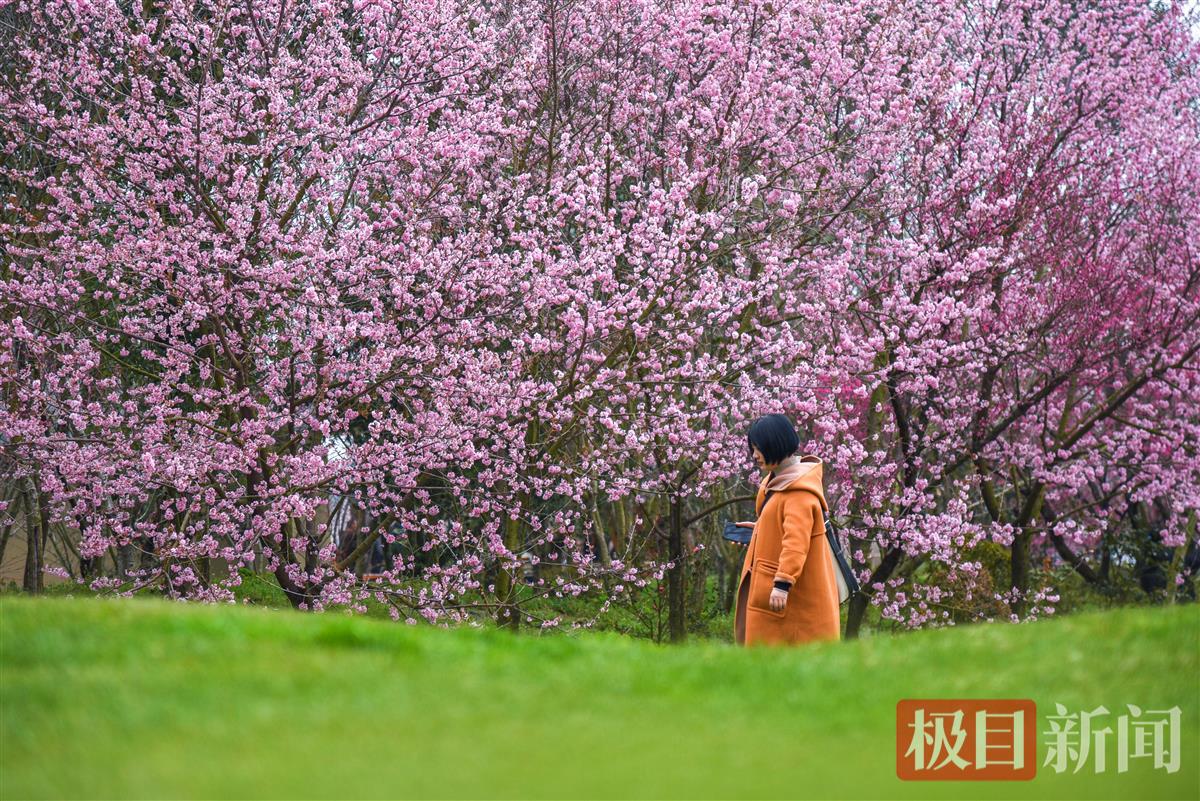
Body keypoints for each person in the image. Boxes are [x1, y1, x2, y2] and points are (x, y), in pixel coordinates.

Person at [731, 414, 841, 646]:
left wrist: (782, 584)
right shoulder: (780, 482)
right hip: (777, 595)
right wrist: (757, 534)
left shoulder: (798, 492)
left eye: (758, 448)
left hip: (790, 599)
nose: (754, 455)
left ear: (775, 444)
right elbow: (783, 528)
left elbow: (796, 542)